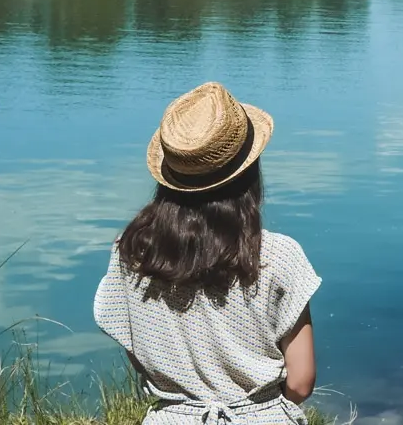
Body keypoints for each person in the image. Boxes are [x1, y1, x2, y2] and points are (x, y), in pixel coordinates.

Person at [95, 84, 320, 425]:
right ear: (248, 172)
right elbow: (300, 383)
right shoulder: (277, 256)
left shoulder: (133, 252)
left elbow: (134, 347)